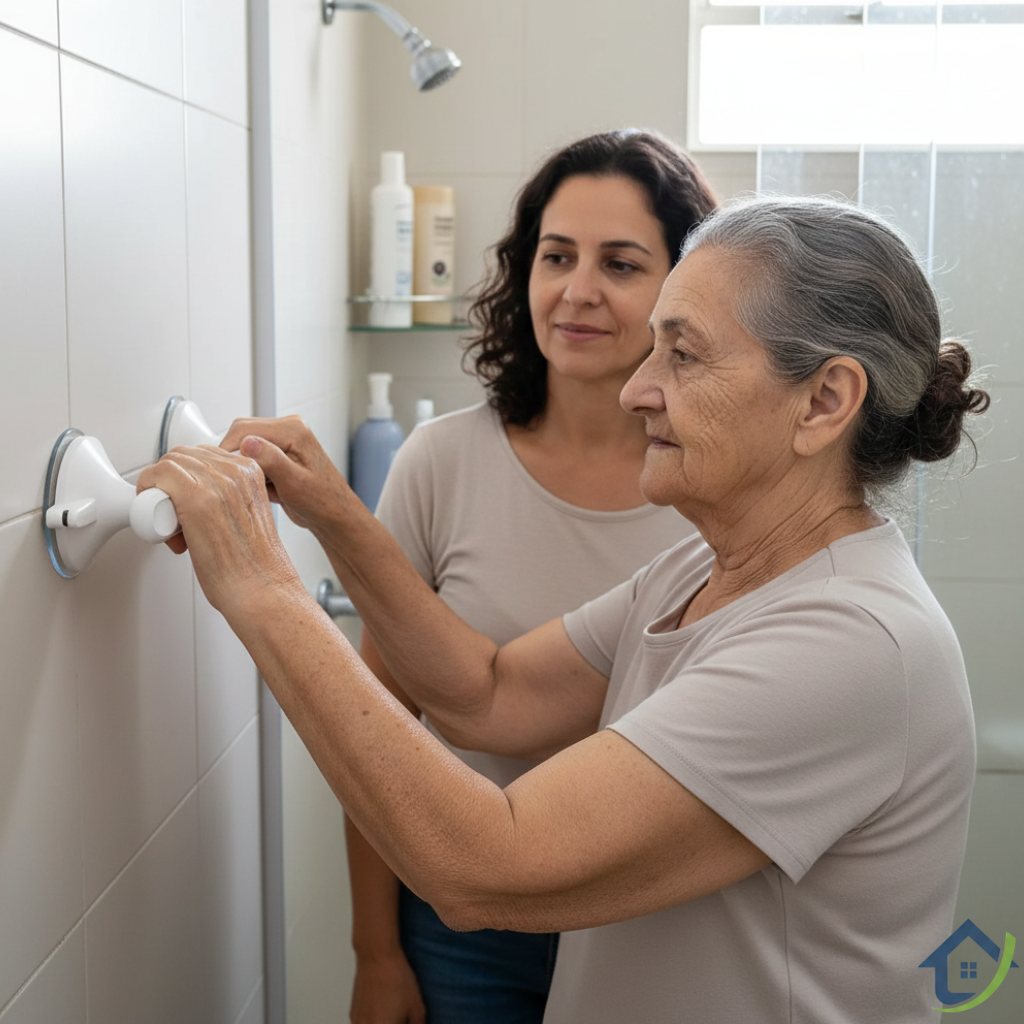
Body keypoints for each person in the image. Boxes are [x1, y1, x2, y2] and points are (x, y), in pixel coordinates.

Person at [140, 194, 990, 1022]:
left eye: (683, 356)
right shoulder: (704, 567)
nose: (636, 390)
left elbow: (486, 865)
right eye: (653, 348)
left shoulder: (852, 642)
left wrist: (261, 583)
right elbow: (489, 691)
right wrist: (329, 510)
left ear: (825, 401)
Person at [347, 129, 717, 1024]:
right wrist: (376, 950)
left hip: (652, 920)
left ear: (686, 292)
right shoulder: (439, 463)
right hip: (460, 926)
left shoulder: (713, 485)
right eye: (557, 256)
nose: (577, 291)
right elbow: (376, 727)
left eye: (621, 264)